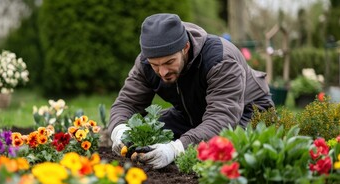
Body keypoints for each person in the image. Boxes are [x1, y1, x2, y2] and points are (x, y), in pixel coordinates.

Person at [108, 13, 274, 169]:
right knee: (148, 138)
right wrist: (120, 130)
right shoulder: (145, 63)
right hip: (192, 114)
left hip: (247, 112)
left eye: (169, 62)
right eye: (155, 65)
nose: (163, 72)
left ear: (185, 47)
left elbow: (222, 118)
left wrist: (176, 149)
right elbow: (127, 103)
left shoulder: (220, 59)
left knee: (224, 153)